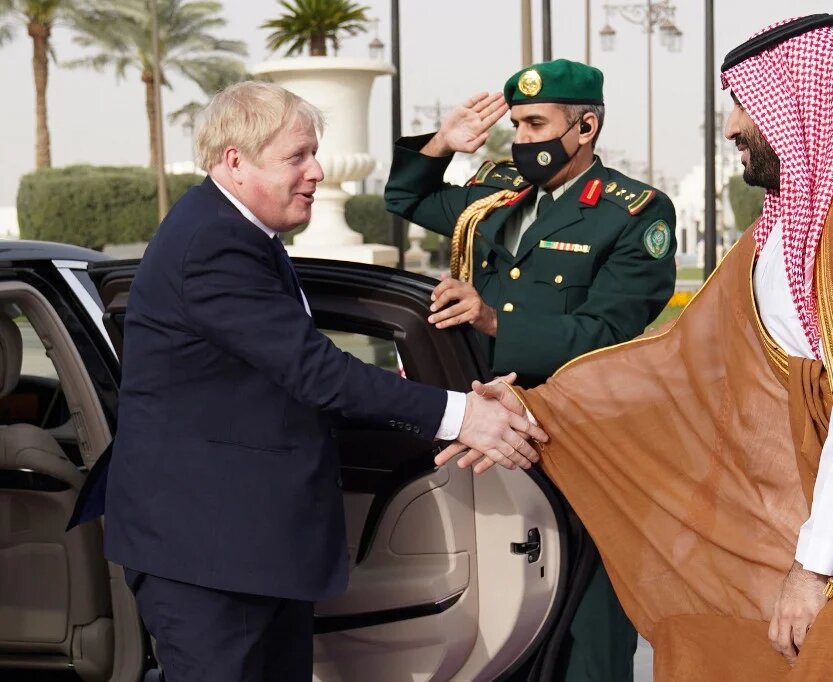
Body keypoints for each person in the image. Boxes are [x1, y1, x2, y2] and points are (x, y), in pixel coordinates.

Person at [441, 15, 833, 679]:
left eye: (746, 105)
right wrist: (528, 408)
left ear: (800, 106)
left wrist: (812, 567)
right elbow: (679, 363)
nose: (731, 128)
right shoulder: (782, 231)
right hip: (796, 518)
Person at [95, 81, 545, 681]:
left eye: (314, 153)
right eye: (297, 156)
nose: (317, 171)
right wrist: (464, 416)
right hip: (208, 554)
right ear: (235, 161)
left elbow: (291, 380)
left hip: (243, 548)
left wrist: (456, 401)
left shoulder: (242, 235)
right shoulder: (213, 243)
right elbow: (317, 372)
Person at [385, 59, 676, 681]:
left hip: (576, 444)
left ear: (586, 126)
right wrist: (442, 143)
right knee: (497, 617)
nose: (522, 140)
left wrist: (494, 321)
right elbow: (404, 195)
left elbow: (610, 333)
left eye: (537, 124)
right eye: (516, 124)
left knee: (586, 630)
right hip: (486, 443)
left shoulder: (633, 212)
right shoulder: (497, 193)